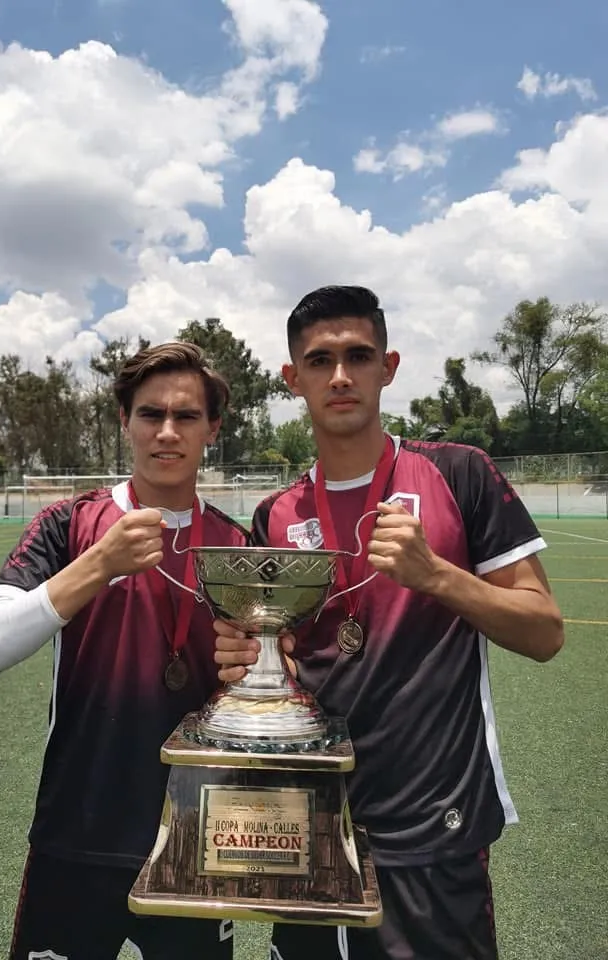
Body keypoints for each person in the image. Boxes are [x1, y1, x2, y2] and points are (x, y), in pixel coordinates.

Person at [214, 285, 564, 960]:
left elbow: (545, 631)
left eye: (358, 356)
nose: (340, 375)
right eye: (320, 361)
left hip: (434, 827)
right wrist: (247, 659)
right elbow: (279, 657)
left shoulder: (458, 473)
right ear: (293, 378)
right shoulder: (275, 515)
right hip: (311, 827)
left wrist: (436, 575)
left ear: (388, 367)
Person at [0, 342, 246, 960]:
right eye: (150, 414)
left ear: (212, 429)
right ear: (125, 421)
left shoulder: (236, 546)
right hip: (77, 828)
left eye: (186, 416)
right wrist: (99, 564)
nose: (167, 432)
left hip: (194, 836)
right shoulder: (69, 524)